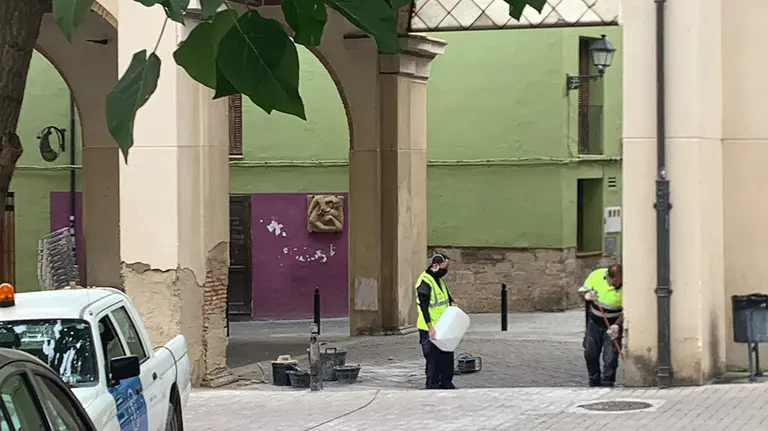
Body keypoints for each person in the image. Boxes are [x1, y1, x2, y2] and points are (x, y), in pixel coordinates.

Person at [415, 253, 456, 390]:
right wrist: (430, 328)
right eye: (445, 267)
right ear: (435, 266)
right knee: (433, 359)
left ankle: (446, 382)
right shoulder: (425, 281)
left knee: (446, 355)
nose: (446, 270)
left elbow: (445, 298)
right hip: (430, 327)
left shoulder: (438, 280)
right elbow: (424, 306)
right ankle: (433, 385)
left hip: (443, 325)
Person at [578, 263, 623, 387]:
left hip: (613, 324)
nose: (616, 286)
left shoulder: (627, 285)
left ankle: (608, 383)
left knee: (610, 356)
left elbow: (628, 310)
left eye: (619, 283)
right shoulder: (596, 275)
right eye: (614, 283)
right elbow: (582, 291)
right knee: (590, 352)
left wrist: (617, 326)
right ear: (607, 276)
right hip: (594, 322)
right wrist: (587, 295)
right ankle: (594, 380)